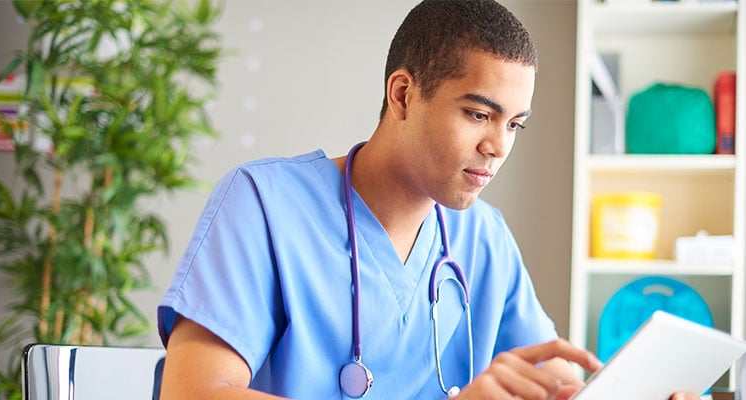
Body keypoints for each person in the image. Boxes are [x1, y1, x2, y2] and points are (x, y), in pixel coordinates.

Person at [156, 1, 700, 399]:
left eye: (515, 124)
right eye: (479, 114)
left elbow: (554, 383)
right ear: (403, 95)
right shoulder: (262, 205)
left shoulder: (484, 238)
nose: (498, 145)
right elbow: (193, 392)